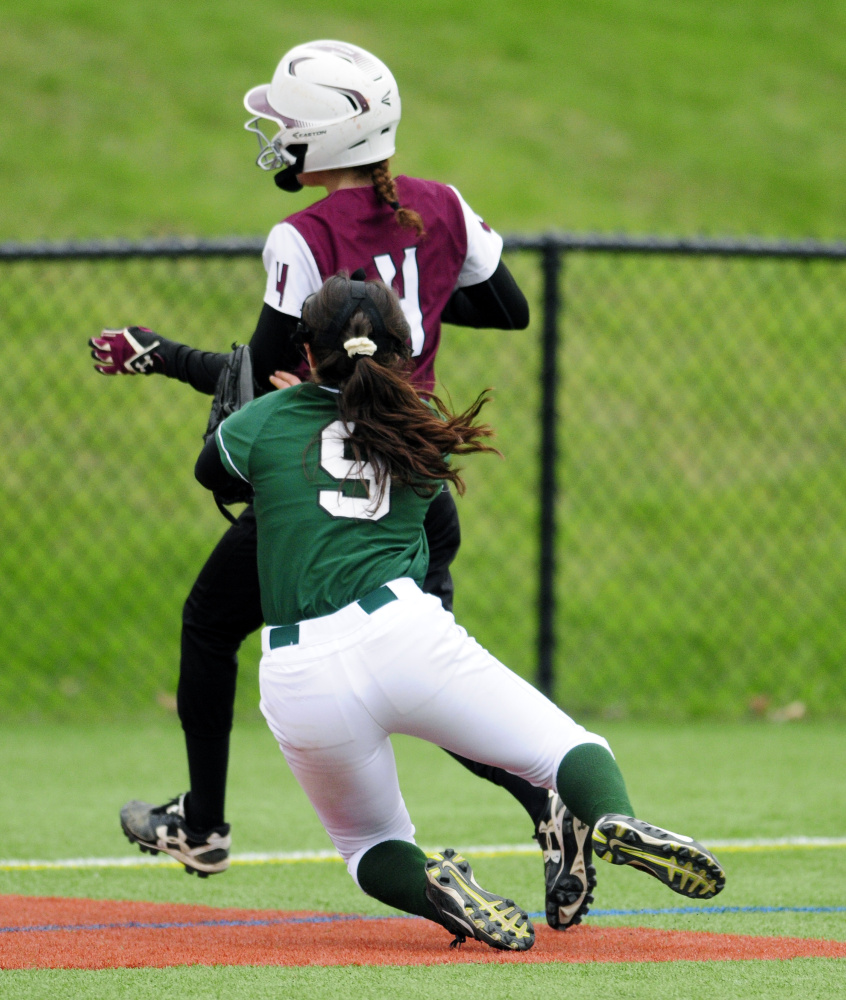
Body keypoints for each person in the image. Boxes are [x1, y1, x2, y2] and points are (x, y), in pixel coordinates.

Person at [94, 39, 590, 931]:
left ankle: (202, 828)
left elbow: (271, 382)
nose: (276, 135)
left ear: (325, 135)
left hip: (328, 490)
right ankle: (547, 809)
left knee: (211, 624)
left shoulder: (306, 235)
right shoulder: (440, 208)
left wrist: (158, 353)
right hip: (419, 484)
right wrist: (421, 297)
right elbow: (509, 307)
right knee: (429, 679)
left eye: (287, 122)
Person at [192, 271, 725, 951]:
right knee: (572, 750)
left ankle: (437, 883)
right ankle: (614, 818)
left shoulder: (263, 423)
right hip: (399, 631)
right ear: (402, 349)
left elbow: (217, 473)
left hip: (296, 670)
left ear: (306, 351)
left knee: (369, 845)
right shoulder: (421, 431)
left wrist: (253, 419)